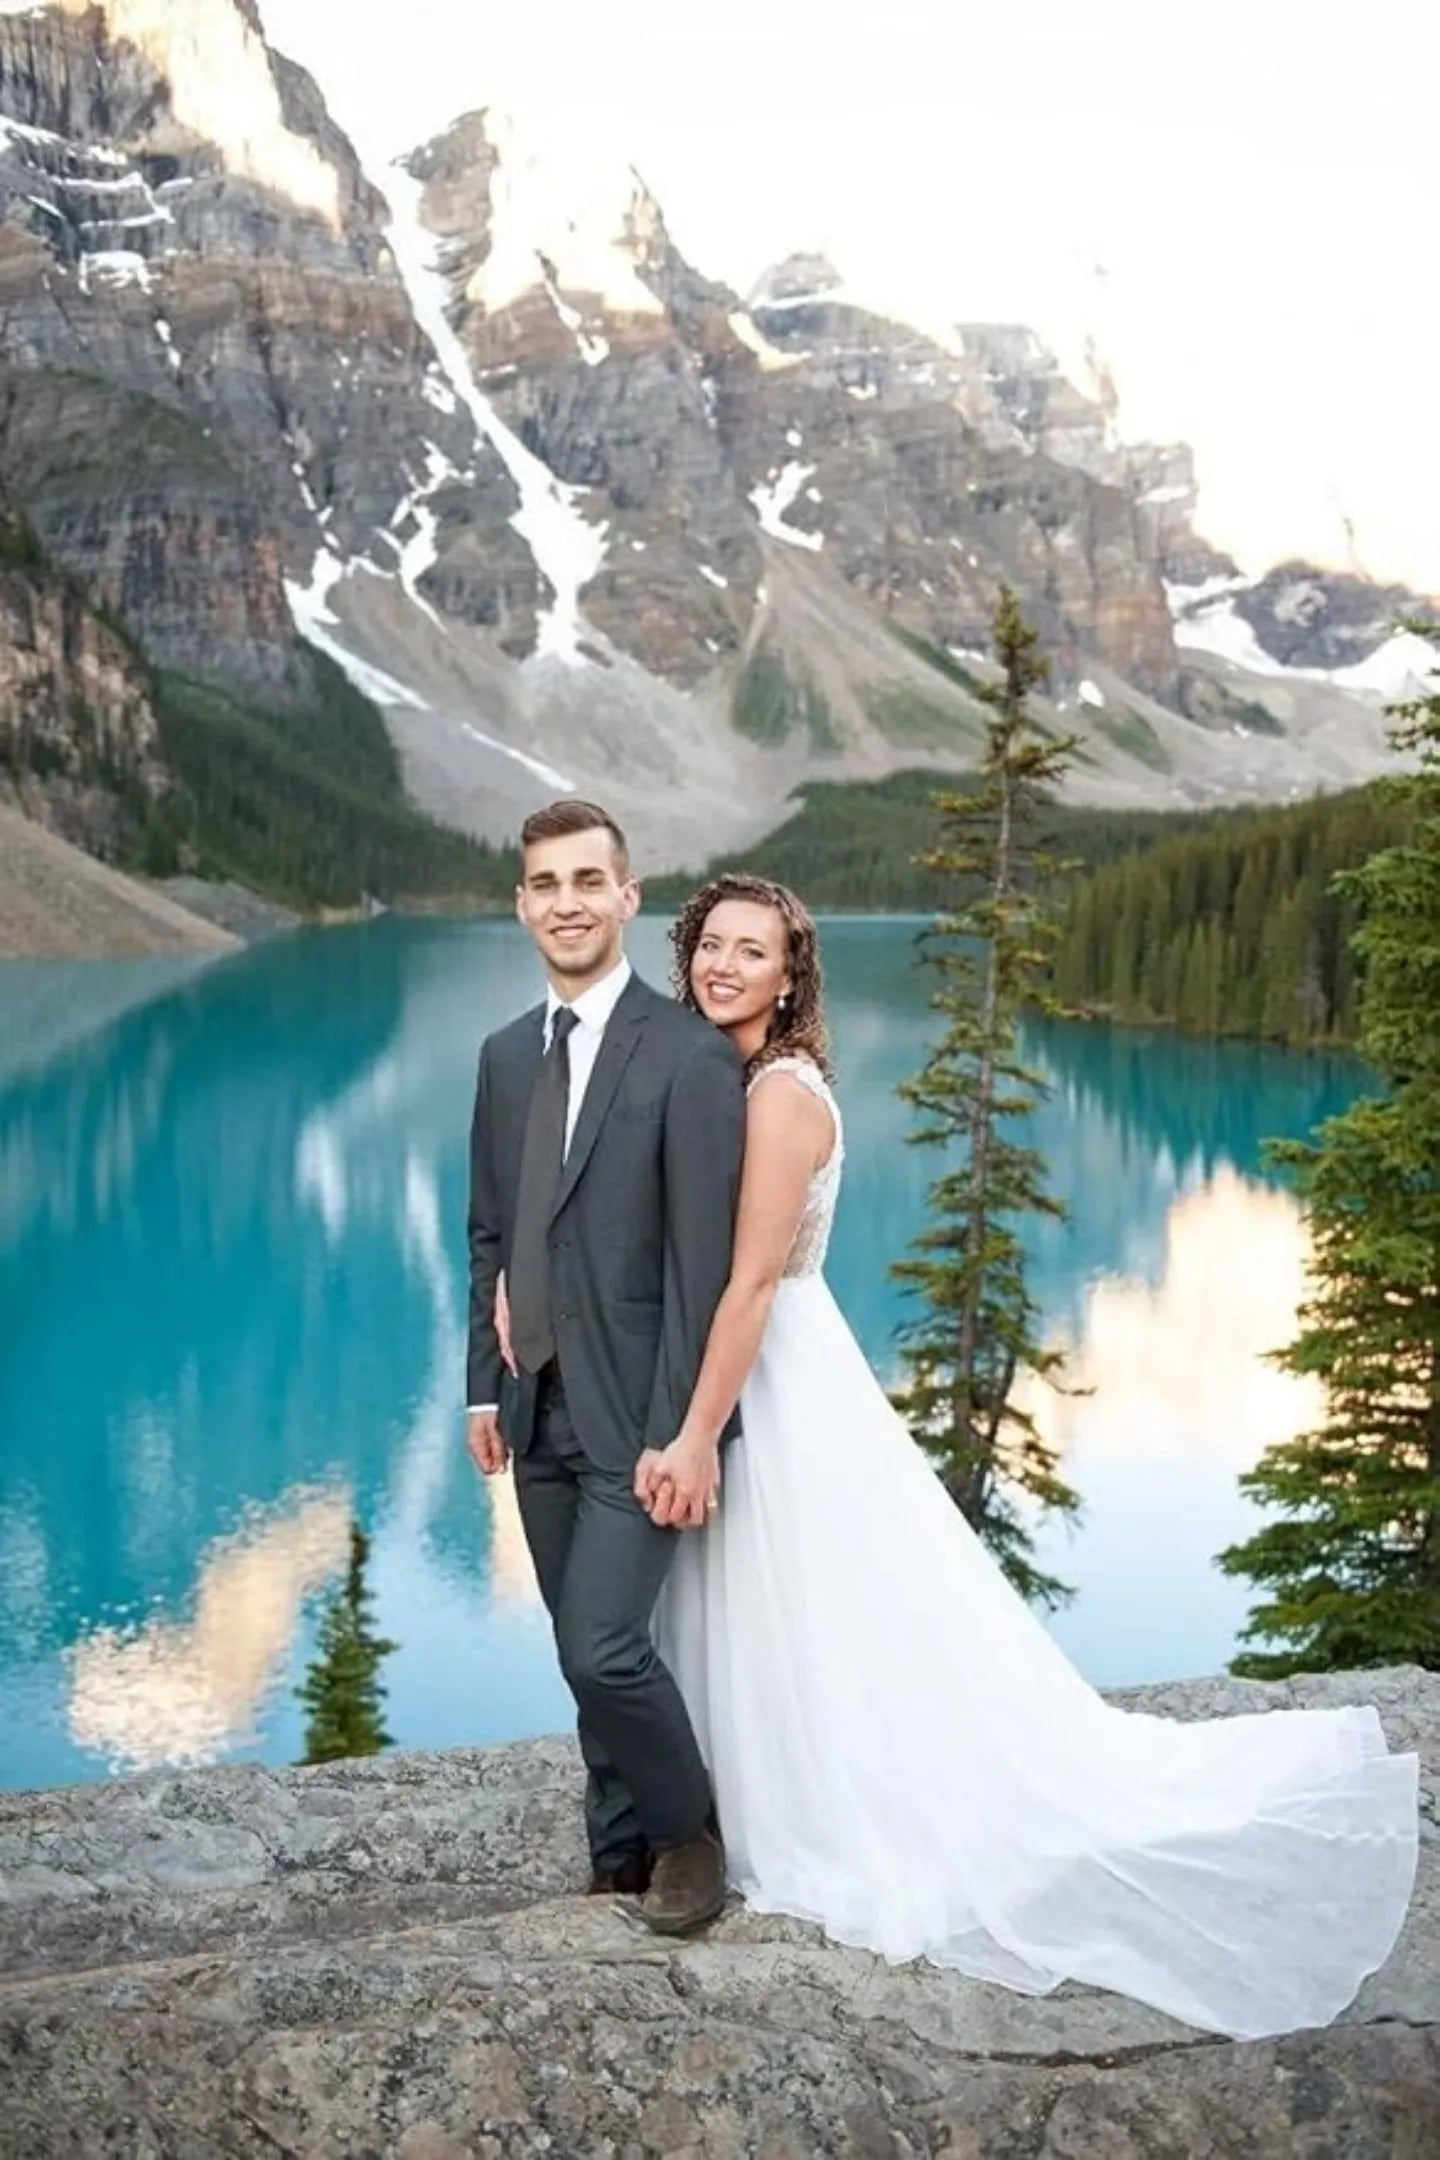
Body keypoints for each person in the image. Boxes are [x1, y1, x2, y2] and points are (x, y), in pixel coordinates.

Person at [625, 870, 1416, 2041]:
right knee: (760, 1593)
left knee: (799, 1592)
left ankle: (833, 1803)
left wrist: (697, 1430)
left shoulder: (782, 1097)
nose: (725, 966)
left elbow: (748, 1283)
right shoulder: (719, 1076)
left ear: (791, 980)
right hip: (743, 1361)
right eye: (711, 944)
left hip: (773, 1371)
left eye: (754, 951)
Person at [465, 802, 745, 1938]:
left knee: (604, 1645)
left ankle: (689, 1837)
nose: (567, 903)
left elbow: (702, 1269)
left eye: (589, 881)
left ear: (628, 898)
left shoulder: (686, 1053)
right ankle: (617, 1849)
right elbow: (490, 1235)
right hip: (535, 1405)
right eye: (546, 884)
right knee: (577, 1647)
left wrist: (686, 1432)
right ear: (521, 904)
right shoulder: (503, 1057)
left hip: (641, 1416)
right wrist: (483, 1387)